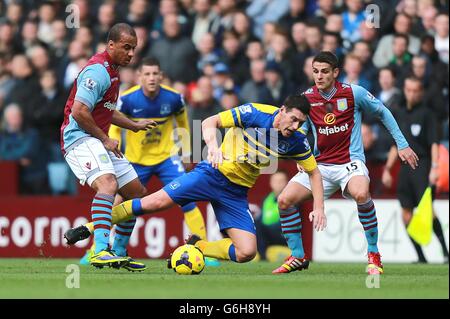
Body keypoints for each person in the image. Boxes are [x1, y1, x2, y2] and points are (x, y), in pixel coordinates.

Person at [66, 94, 326, 265]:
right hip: (211, 174)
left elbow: (313, 172)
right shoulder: (255, 113)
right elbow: (210, 122)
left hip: (236, 192)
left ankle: (197, 245)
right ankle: (89, 229)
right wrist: (212, 147)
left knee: (247, 252)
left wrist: (319, 207)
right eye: (293, 119)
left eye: (300, 123)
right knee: (154, 202)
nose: (294, 126)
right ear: (282, 110)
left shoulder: (296, 141)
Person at [272, 51, 419, 275]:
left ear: (335, 72)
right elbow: (299, 128)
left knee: (361, 194)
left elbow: (383, 112)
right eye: (315, 71)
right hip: (319, 165)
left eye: (324, 71)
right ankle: (298, 256)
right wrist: (299, 156)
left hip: (350, 162)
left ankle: (373, 255)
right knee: (284, 199)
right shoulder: (307, 98)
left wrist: (402, 144)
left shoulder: (353, 93)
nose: (319, 76)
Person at [68, 57, 208, 263]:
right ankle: (94, 249)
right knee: (117, 198)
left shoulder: (174, 99)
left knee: (186, 197)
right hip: (135, 159)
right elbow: (112, 124)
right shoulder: (128, 99)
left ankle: (202, 249)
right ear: (139, 76)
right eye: (147, 74)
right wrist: (113, 144)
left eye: (155, 74)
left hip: (166, 158)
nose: (151, 78)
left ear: (161, 76)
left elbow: (183, 125)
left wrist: (186, 153)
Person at [60, 23, 156, 269]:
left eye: (134, 48)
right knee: (108, 184)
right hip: (78, 139)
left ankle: (119, 252)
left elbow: (105, 111)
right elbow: (81, 112)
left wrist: (133, 125)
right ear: (110, 45)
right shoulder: (97, 72)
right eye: (126, 47)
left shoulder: (113, 71)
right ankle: (100, 250)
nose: (131, 53)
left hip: (95, 139)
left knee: (136, 193)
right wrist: (104, 139)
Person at [382, 76, 449, 264]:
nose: (411, 93)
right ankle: (421, 256)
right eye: (408, 90)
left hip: (423, 165)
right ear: (404, 90)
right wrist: (387, 169)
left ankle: (445, 252)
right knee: (406, 214)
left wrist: (435, 168)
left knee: (428, 211)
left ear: (420, 92)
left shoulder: (427, 115)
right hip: (405, 170)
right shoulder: (400, 113)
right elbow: (396, 146)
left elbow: (434, 143)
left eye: (415, 90)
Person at [255, 170, 289, 260]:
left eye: (281, 181)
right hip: (266, 233)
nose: (278, 184)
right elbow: (262, 217)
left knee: (259, 226)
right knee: (255, 224)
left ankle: (262, 256)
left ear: (287, 183)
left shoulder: (291, 199)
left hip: (283, 234)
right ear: (271, 183)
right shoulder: (266, 199)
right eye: (275, 181)